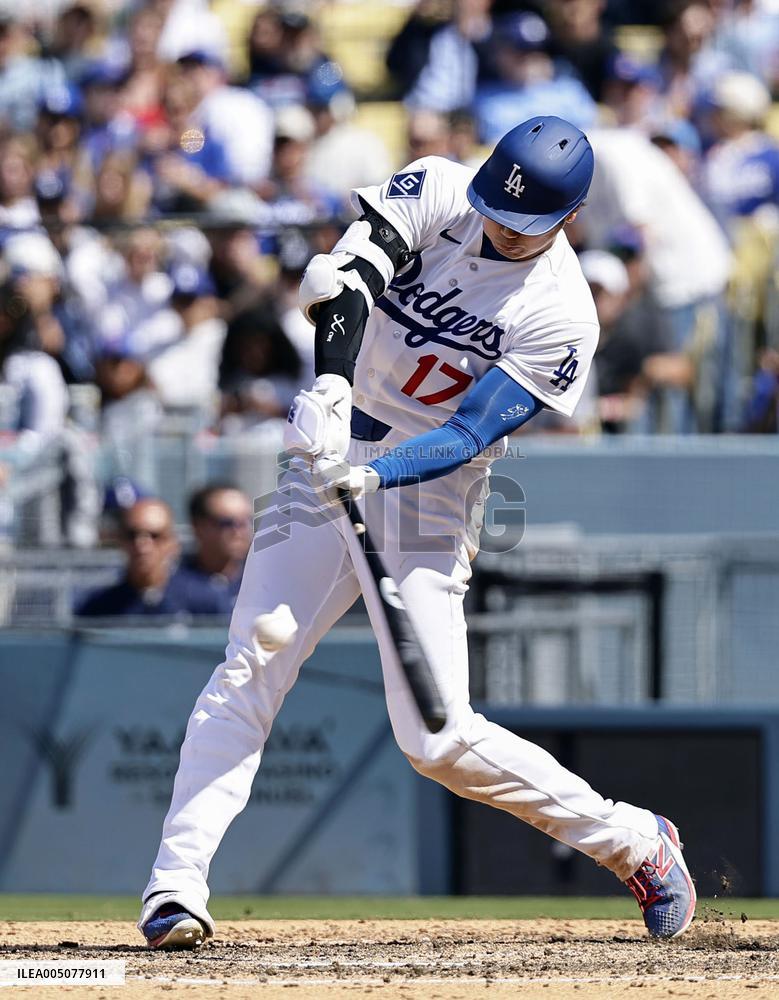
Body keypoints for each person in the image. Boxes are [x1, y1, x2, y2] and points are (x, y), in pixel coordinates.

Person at [138, 116, 696, 950]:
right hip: (330, 443)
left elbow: (471, 432)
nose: (501, 227)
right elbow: (349, 277)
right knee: (256, 653)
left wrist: (376, 474)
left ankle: (634, 841)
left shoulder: (562, 315)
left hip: (432, 488)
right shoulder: (441, 187)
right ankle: (175, 886)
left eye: (524, 223)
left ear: (567, 219)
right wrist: (330, 386)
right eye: (496, 207)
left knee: (434, 740)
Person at [170, 483, 253, 613]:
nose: (239, 532)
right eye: (227, 523)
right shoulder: (171, 582)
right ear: (198, 527)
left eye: (245, 522)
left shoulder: (265, 580)